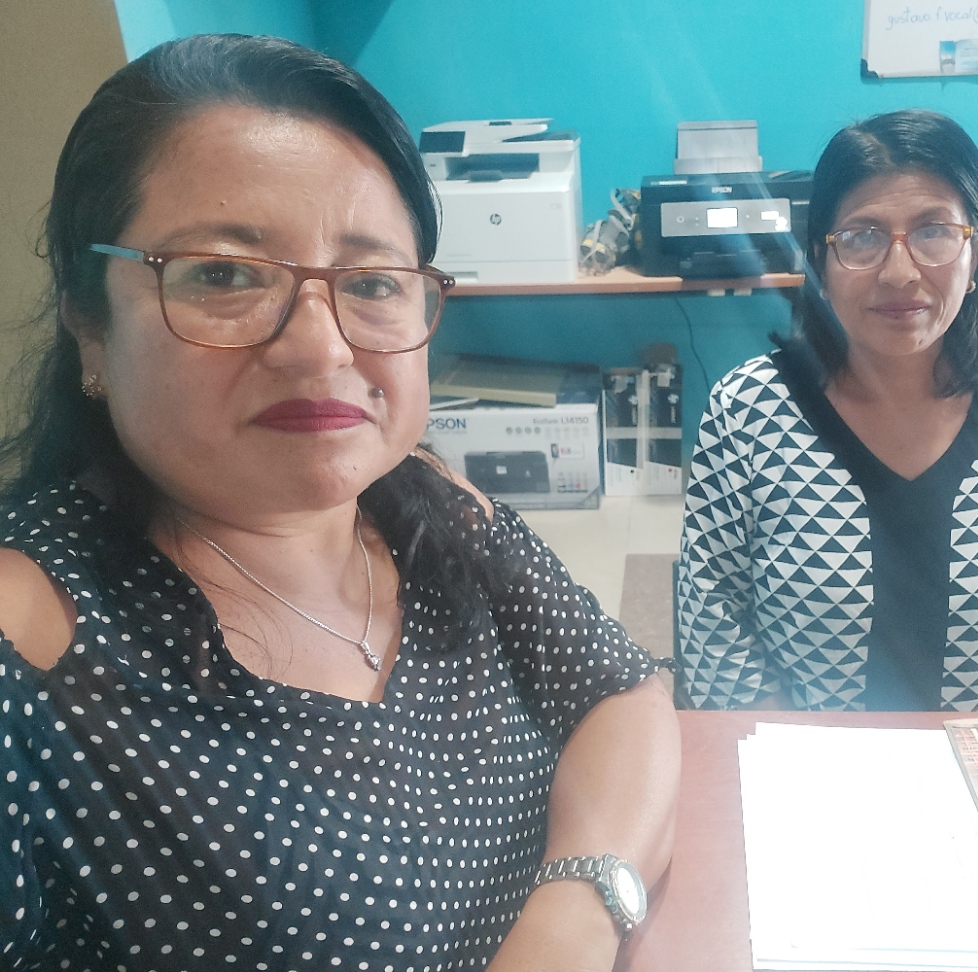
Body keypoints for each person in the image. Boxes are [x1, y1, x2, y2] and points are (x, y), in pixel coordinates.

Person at [0, 34, 679, 971]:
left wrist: (576, 911)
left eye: (371, 283)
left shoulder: (425, 503)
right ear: (88, 322)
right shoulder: (32, 644)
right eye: (223, 274)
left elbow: (625, 692)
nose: (321, 349)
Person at [676, 110, 978, 712]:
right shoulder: (749, 410)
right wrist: (792, 753)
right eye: (862, 237)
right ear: (821, 263)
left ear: (977, 252)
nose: (899, 273)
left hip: (969, 750)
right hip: (798, 752)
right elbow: (713, 619)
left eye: (934, 231)